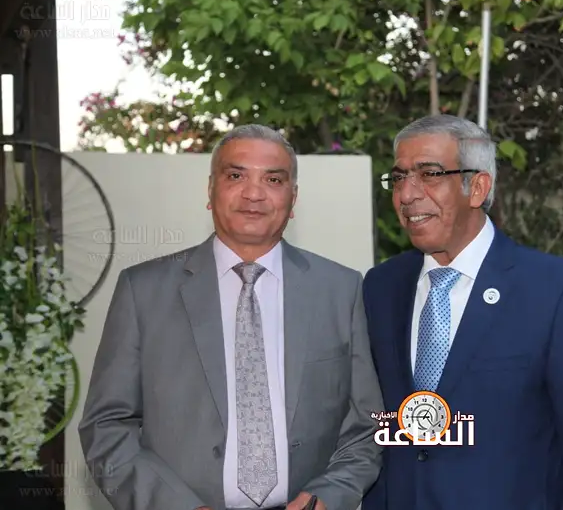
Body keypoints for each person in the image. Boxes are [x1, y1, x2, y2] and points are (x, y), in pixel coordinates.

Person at [79, 124, 384, 510]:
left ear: (293, 199)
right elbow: (106, 427)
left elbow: (368, 426)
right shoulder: (143, 290)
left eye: (273, 180)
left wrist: (327, 496)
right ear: (211, 191)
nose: (254, 193)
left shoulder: (340, 289)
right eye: (236, 176)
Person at [360, 115, 563, 510]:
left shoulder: (556, 291)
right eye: (399, 178)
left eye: (429, 174)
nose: (407, 194)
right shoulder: (381, 287)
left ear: (478, 187)